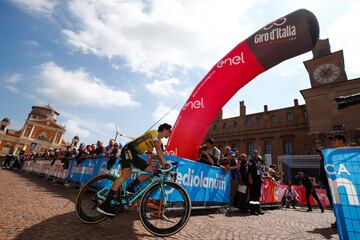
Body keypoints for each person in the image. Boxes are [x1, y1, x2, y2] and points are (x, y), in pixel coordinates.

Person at [97, 123, 172, 216]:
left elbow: (160, 153)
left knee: (150, 170)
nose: (170, 133)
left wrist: (165, 164)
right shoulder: (154, 133)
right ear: (165, 129)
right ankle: (105, 204)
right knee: (125, 174)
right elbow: (159, 153)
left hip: (134, 154)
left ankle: (130, 186)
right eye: (170, 130)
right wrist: (166, 165)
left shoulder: (159, 141)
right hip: (128, 150)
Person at [248, 150, 264, 215]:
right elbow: (249, 171)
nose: (256, 154)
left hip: (258, 179)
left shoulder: (260, 161)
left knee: (257, 195)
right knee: (253, 195)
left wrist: (261, 177)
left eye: (257, 153)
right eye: (255, 153)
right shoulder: (251, 161)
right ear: (253, 154)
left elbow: (261, 170)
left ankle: (258, 208)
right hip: (253, 179)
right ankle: (252, 210)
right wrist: (250, 178)